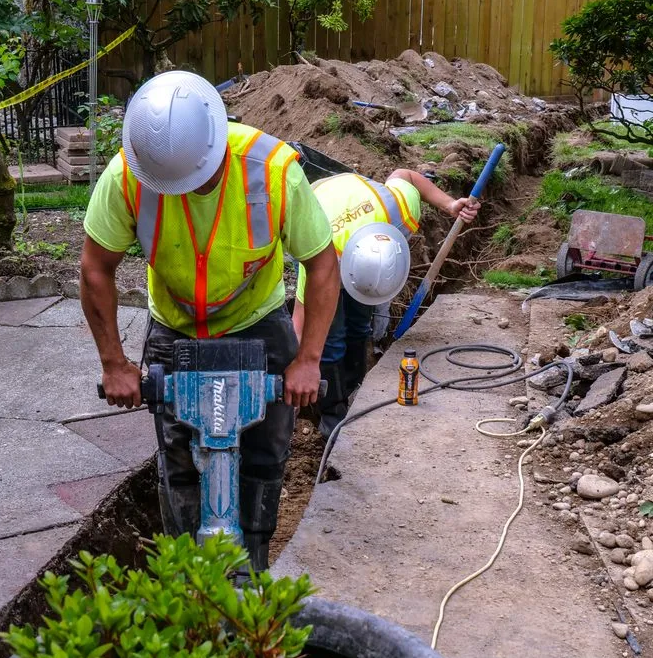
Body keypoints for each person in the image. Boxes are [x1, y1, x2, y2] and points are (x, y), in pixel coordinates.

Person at [79, 71, 339, 570]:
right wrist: (114, 363)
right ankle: (190, 583)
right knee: (178, 463)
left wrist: (307, 359)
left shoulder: (275, 171)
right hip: (174, 324)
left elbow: (323, 264)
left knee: (264, 459)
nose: (181, 192)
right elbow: (95, 268)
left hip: (257, 322)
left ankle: (252, 571)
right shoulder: (132, 173)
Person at [292, 169, 481, 438]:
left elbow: (407, 176)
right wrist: (296, 370)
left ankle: (356, 388)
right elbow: (299, 324)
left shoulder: (399, 210)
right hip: (324, 208)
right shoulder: (318, 256)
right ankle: (332, 415)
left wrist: (450, 204)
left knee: (358, 326)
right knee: (330, 339)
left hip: (360, 213)